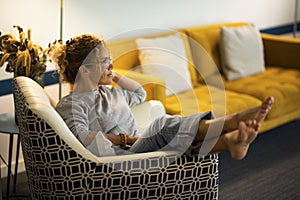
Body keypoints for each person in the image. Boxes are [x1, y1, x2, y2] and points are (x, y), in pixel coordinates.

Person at [51, 34, 274, 160]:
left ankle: (228, 141)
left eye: (110, 59)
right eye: (103, 61)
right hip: (119, 156)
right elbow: (81, 137)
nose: (111, 64)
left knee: (172, 139)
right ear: (84, 70)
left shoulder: (110, 93)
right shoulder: (72, 105)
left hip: (137, 146)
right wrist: (126, 140)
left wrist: (112, 73)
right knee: (162, 125)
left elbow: (140, 93)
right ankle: (230, 122)